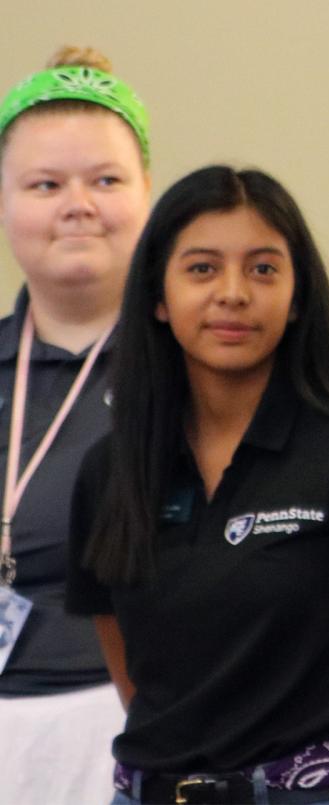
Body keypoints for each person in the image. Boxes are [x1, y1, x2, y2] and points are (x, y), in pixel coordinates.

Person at [66, 166, 329, 805]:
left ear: (298, 298)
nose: (234, 293)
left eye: (264, 269)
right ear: (158, 295)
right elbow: (138, 679)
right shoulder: (109, 472)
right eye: (202, 268)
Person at [0, 48, 151, 803]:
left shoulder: (199, 377)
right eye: (45, 184)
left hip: (138, 724)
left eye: (106, 180)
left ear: (149, 196)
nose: (77, 203)